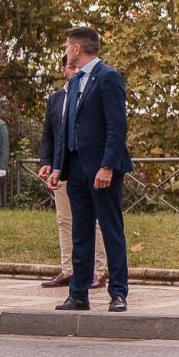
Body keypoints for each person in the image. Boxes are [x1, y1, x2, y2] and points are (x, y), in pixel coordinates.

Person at [49, 25, 132, 313]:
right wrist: (59, 167)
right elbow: (66, 128)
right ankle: (79, 294)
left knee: (111, 230)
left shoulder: (108, 77)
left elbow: (117, 125)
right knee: (80, 233)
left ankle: (118, 293)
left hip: (102, 171)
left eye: (66, 46)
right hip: (77, 170)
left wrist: (107, 165)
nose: (65, 51)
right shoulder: (74, 82)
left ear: (76, 49)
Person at [35, 58, 75, 287]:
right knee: (64, 220)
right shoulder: (56, 98)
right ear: (64, 70)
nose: (74, 71)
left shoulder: (88, 95)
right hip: (61, 169)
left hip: (86, 169)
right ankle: (67, 269)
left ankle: (97, 272)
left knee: (93, 222)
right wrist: (46, 161)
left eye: (77, 67)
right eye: (70, 67)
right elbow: (48, 134)